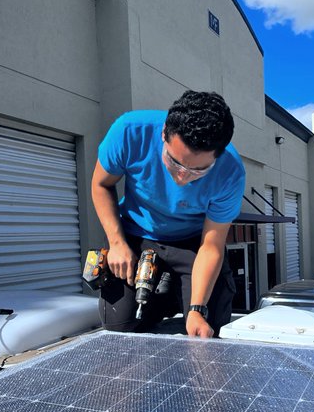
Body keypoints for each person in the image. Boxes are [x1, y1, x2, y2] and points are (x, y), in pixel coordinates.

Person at [91, 90, 245, 338]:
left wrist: (196, 309)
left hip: (194, 242)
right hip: (136, 233)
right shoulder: (129, 131)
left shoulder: (231, 173)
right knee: (120, 324)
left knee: (208, 325)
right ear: (163, 134)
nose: (182, 176)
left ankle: (180, 294)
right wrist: (117, 243)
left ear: (219, 155)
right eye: (174, 162)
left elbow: (212, 244)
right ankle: (165, 296)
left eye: (198, 170)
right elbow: (101, 185)